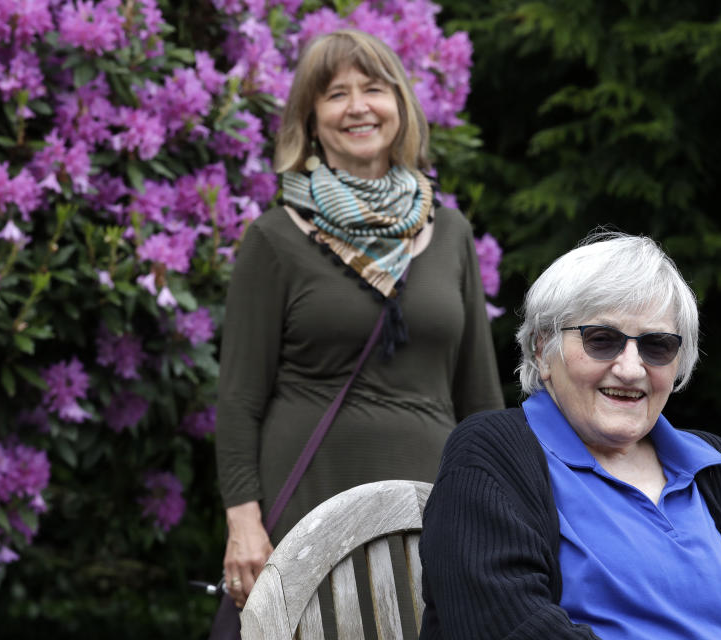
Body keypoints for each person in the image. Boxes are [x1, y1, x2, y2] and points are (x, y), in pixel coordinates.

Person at [418, 231, 721, 640]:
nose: (631, 369)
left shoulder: (717, 467)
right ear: (543, 348)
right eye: (602, 339)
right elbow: (506, 625)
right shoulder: (494, 454)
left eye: (657, 346)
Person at [211, 28, 504, 635]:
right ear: (312, 120)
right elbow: (238, 398)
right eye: (336, 94)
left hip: (431, 507)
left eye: (373, 88)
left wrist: (500, 508)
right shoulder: (275, 237)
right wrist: (243, 522)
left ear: (400, 106)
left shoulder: (448, 233)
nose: (358, 106)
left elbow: (481, 399)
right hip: (304, 502)